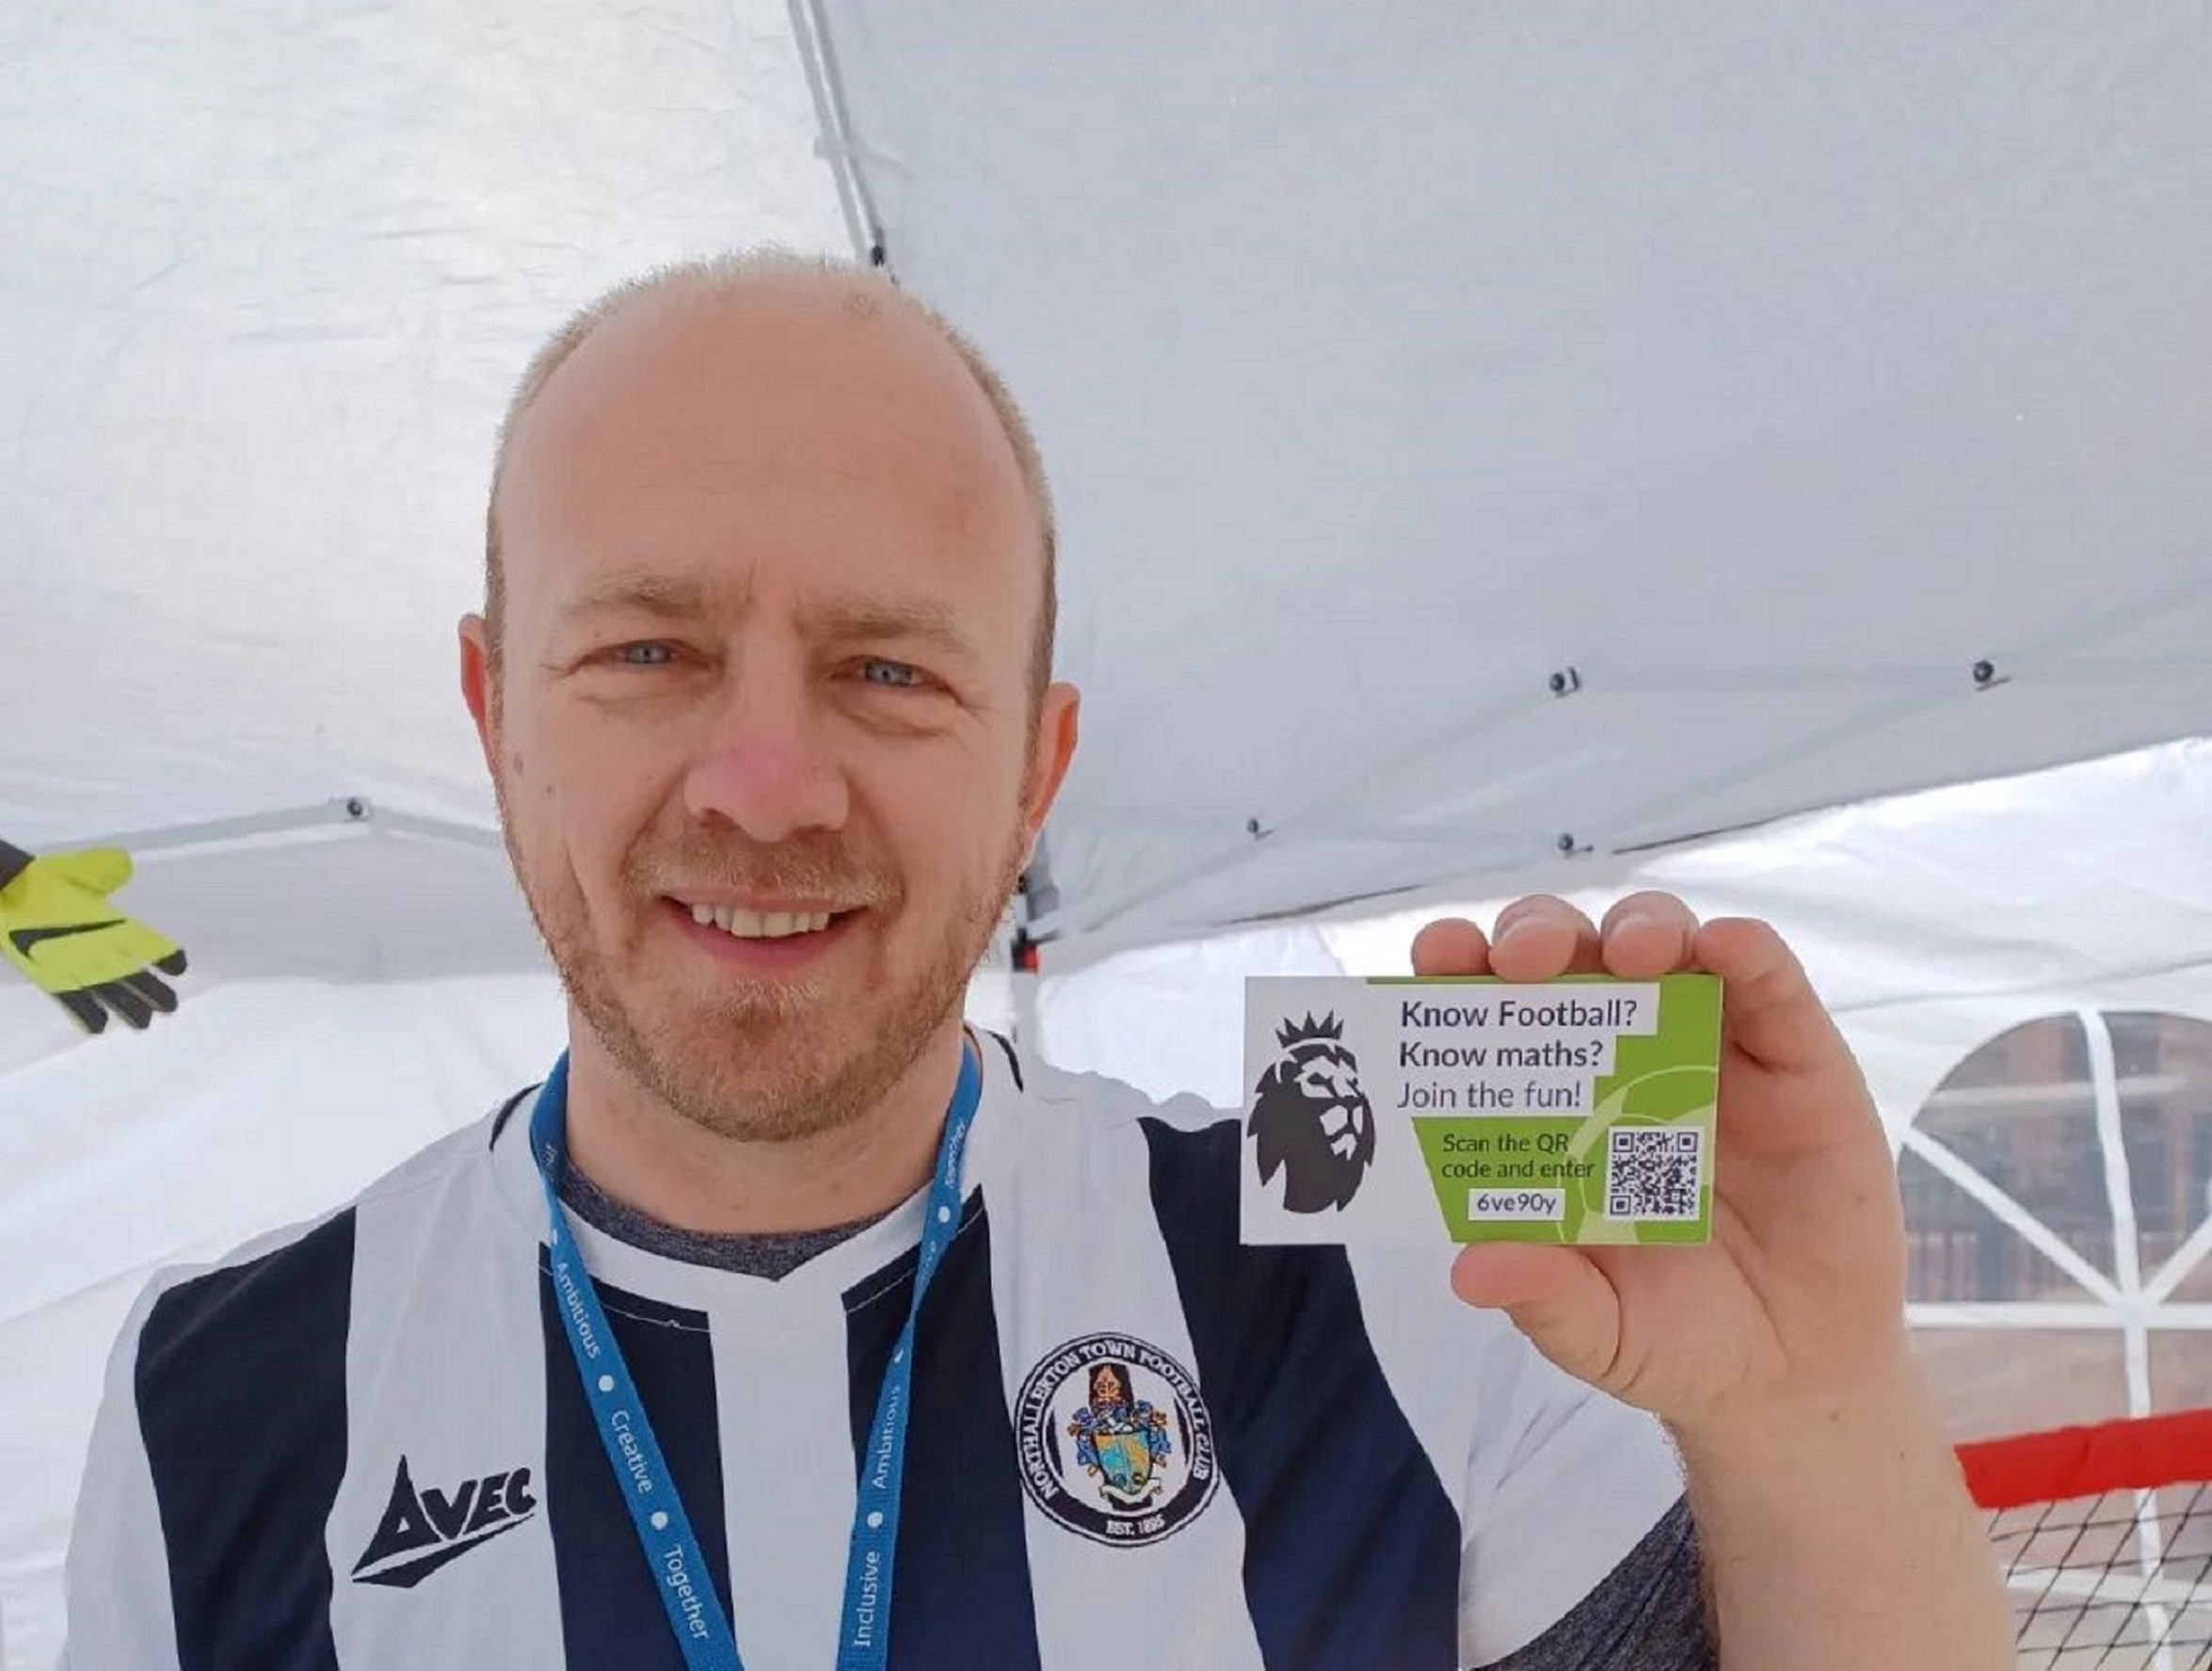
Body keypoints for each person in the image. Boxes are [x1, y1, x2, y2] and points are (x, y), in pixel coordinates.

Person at [61, 253, 2012, 1670]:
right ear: (497, 710)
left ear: (1034, 769)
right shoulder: (211, 1401)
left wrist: (1808, 1404)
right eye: (645, 651)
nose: (761, 783)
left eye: (888, 670)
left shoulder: (1389, 1263)